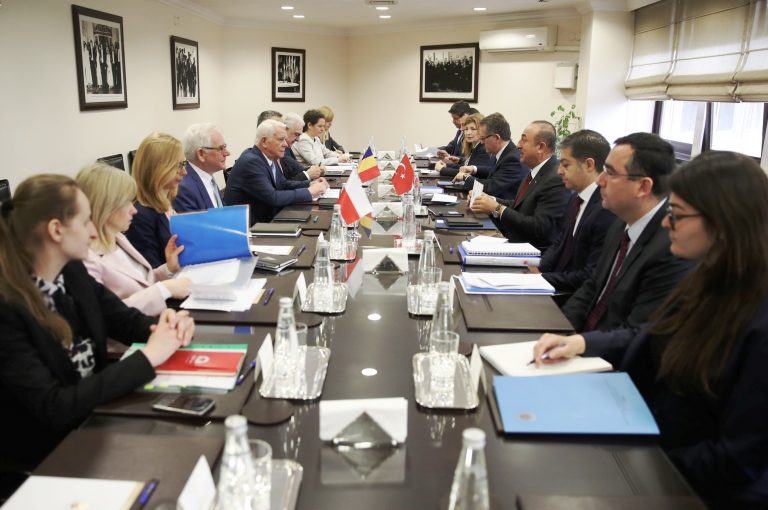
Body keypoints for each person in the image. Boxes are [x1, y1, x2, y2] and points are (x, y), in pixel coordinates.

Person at [533, 151, 768, 507]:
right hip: (652, 444)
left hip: (689, 486)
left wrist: (638, 463)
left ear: (724, 222)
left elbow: (738, 460)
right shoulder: (708, 279)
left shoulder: (758, 322)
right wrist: (580, 343)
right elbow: (652, 335)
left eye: (678, 214)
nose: (666, 223)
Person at [0, 174, 194, 472]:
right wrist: (149, 356)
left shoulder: (71, 273)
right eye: (86, 222)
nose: (94, 233)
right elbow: (54, 407)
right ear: (56, 230)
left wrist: (167, 325)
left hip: (99, 419)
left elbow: (125, 321)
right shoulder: (8, 309)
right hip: (50, 455)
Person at [560, 132, 693, 332]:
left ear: (643, 186)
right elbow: (592, 287)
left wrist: (578, 343)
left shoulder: (670, 248)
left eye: (610, 173)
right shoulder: (620, 222)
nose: (600, 180)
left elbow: (636, 331)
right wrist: (557, 327)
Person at [77, 164, 191, 316]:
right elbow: (106, 315)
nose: (134, 210)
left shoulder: (118, 238)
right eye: (127, 202)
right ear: (105, 206)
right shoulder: (86, 259)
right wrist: (164, 289)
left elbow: (142, 283)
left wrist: (168, 268)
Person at [529, 129, 616, 294]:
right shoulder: (575, 198)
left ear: (589, 165)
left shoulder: (605, 209)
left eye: (566, 164)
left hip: (570, 293)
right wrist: (538, 266)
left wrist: (541, 278)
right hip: (555, 282)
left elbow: (589, 275)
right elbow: (560, 242)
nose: (559, 171)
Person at [224, 119, 329, 225]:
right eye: (281, 139)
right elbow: (273, 197)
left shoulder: (269, 156)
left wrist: (309, 184)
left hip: (267, 218)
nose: (286, 144)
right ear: (264, 141)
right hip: (251, 227)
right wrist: (309, 192)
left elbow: (283, 184)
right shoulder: (251, 161)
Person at [125, 132, 187, 268]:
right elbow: (151, 270)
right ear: (158, 170)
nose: (184, 172)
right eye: (178, 166)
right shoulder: (140, 216)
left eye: (184, 164)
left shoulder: (170, 200)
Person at [458, 112, 525, 201]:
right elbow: (493, 172)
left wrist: (466, 177)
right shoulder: (503, 152)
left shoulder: (513, 159)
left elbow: (491, 187)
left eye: (483, 138)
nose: (481, 142)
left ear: (496, 138)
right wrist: (474, 169)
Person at [174, 123, 230, 212]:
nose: (227, 153)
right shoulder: (184, 189)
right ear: (201, 154)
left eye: (225, 147)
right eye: (220, 148)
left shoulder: (208, 178)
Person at [436, 112, 494, 178]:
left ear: (481, 130)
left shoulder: (483, 148)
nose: (468, 133)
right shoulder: (475, 146)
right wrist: (446, 165)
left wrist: (442, 169)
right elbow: (465, 168)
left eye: (473, 129)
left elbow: (468, 174)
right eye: (466, 129)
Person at [283, 112, 325, 181]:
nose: (298, 139)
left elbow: (296, 170)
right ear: (285, 130)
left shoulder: (287, 147)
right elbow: (284, 184)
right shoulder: (281, 150)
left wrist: (316, 170)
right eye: (296, 134)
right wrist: (308, 174)